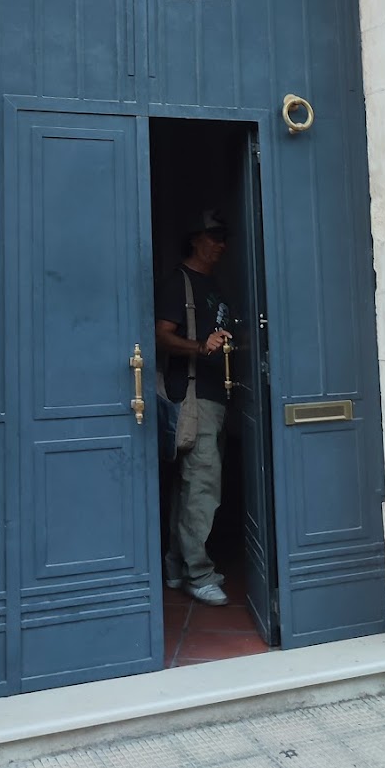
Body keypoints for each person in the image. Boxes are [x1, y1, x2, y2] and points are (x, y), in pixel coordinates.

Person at [155, 210, 233, 606]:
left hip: (211, 397)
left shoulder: (210, 284)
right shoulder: (179, 283)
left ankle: (176, 563)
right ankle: (197, 572)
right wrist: (199, 347)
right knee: (201, 485)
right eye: (214, 236)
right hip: (193, 397)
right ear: (195, 239)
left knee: (189, 486)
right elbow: (161, 337)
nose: (221, 244)